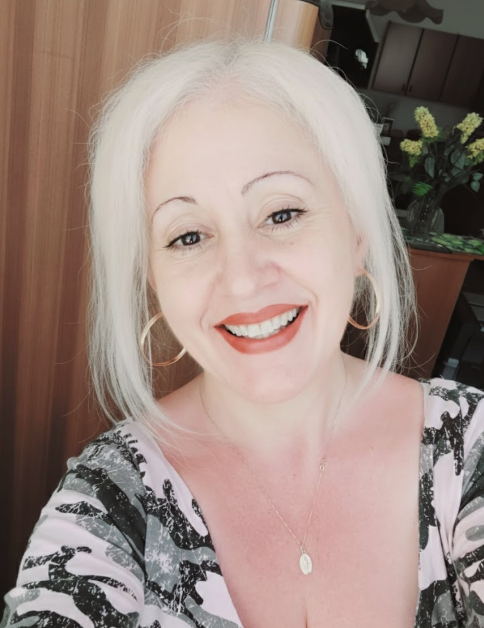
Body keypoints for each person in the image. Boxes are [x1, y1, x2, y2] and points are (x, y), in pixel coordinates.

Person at [2, 37, 484, 628]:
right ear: (154, 278)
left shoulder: (469, 449)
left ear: (357, 232)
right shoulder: (109, 501)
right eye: (188, 236)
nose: (242, 279)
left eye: (282, 213)